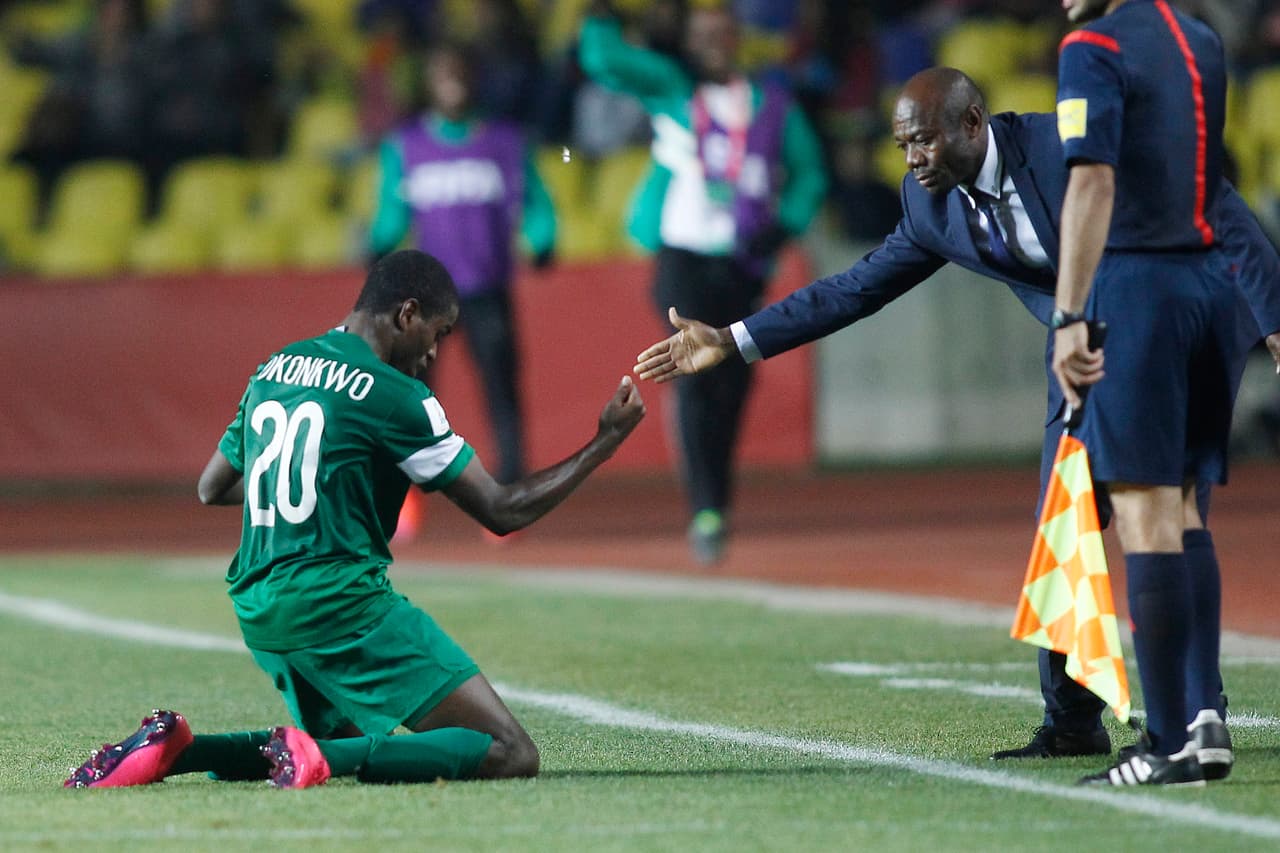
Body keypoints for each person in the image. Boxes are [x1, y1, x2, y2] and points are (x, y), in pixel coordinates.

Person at [631, 67, 1280, 772]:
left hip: (1170, 333)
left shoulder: (1064, 147)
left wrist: (1272, 315)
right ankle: (1072, 721)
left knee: (1169, 523)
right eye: (903, 145)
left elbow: (1205, 196)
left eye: (923, 141)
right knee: (1061, 524)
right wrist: (731, 338)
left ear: (973, 125)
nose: (910, 159)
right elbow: (855, 288)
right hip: (1084, 355)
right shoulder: (929, 204)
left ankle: (1196, 713)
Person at [64, 250, 645, 789]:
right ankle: (320, 759)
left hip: (259, 606)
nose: (435, 352)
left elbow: (211, 486)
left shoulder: (276, 365)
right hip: (339, 606)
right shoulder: (397, 396)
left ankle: (182, 749)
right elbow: (501, 510)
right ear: (407, 313)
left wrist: (317, 484)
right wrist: (604, 442)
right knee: (510, 751)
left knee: (335, 741)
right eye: (437, 333)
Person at [1051, 0, 1238, 787]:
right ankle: (1204, 718)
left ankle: (1166, 743)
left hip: (1140, 291)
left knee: (1143, 511)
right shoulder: (1202, 41)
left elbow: (1093, 183)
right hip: (1210, 287)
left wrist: (1068, 314)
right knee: (1186, 504)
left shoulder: (1089, 47)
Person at [578, 2, 827, 563]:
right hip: (681, 256)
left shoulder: (772, 107)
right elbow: (605, 62)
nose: (713, 43)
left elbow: (810, 173)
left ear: (737, 39)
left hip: (741, 261)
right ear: (689, 43)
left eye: (722, 33)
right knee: (693, 374)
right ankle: (705, 509)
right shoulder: (672, 90)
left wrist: (784, 225)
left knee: (732, 384)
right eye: (702, 35)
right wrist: (601, 15)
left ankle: (717, 502)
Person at [369, 41, 556, 492]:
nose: (452, 81)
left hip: (486, 287)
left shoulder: (506, 143)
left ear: (475, 79)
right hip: (423, 295)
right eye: (442, 72)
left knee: (501, 388)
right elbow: (391, 212)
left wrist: (542, 238)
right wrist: (375, 245)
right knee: (410, 394)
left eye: (460, 71)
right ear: (428, 82)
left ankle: (510, 483)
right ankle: (401, 488)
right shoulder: (405, 146)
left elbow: (534, 200)